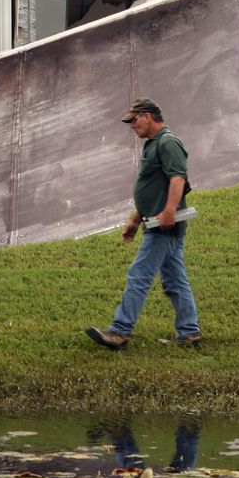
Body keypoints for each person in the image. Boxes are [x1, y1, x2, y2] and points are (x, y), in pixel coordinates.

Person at [86, 96, 201, 350]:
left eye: (134, 120)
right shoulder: (153, 144)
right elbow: (152, 187)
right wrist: (135, 220)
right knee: (174, 280)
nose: (132, 126)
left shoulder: (168, 142)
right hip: (154, 222)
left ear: (147, 116)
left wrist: (170, 211)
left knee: (139, 275)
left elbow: (177, 179)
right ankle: (189, 332)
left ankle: (119, 331)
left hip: (164, 225)